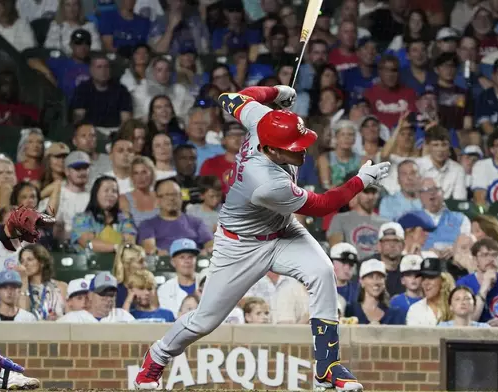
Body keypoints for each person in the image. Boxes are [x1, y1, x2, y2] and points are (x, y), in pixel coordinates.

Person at [134, 85, 391, 391]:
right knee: (205, 320)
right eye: (293, 147)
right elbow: (323, 207)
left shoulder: (263, 122)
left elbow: (232, 98)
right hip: (241, 245)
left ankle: (327, 365)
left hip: (281, 230)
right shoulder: (266, 182)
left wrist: (275, 92)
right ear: (270, 150)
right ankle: (156, 358)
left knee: (323, 271)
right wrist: (361, 180)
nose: (302, 150)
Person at [457, 238, 498, 327]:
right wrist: (484, 288)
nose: (491, 259)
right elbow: (467, 323)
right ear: (475, 260)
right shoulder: (463, 284)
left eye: (495, 255)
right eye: (485, 255)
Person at [343, 259, 405, 325]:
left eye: (380, 277)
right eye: (371, 277)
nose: (376, 282)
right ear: (361, 281)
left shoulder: (395, 315)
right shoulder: (350, 311)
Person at [406, 258, 455, 326]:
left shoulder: (455, 306)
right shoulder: (415, 309)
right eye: (423, 278)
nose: (426, 283)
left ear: (443, 280)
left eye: (431, 277)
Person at [157, 239, 199, 318]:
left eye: (190, 257)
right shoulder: (164, 290)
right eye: (182, 257)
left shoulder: (208, 284)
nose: (187, 261)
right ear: (173, 262)